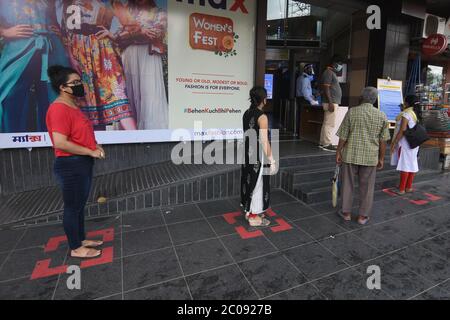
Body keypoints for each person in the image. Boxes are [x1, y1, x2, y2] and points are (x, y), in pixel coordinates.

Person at [46, 65, 106, 258]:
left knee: (79, 205)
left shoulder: (73, 105)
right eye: (75, 83)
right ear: (63, 87)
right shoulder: (58, 109)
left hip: (81, 162)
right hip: (70, 165)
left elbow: (81, 134)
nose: (80, 85)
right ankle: (76, 248)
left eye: (80, 81)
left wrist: (96, 146)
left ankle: (80, 239)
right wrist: (90, 151)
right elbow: (60, 143)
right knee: (72, 207)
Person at [61, 0, 137, 130]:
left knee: (116, 92)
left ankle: (136, 140)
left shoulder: (109, 2)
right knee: (86, 97)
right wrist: (71, 57)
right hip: (79, 52)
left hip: (103, 52)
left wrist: (114, 35)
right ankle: (94, 144)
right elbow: (65, 32)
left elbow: (133, 26)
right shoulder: (70, 2)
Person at [0, 0, 70, 133]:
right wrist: (4, 32)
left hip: (50, 49)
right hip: (18, 48)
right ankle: (12, 142)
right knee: (10, 95)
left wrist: (58, 32)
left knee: (52, 96)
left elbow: (54, 19)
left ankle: (51, 141)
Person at [336, 87, 391, 225]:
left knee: (347, 184)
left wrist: (338, 152)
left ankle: (346, 213)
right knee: (367, 188)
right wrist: (381, 158)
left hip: (350, 155)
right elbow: (383, 140)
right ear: (375, 99)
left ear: (362, 97)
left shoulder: (352, 112)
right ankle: (362, 216)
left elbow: (343, 136)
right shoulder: (382, 116)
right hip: (370, 157)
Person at [113, 0, 169, 130]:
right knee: (130, 91)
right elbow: (117, 36)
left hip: (148, 56)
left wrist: (131, 34)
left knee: (149, 91)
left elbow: (157, 33)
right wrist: (141, 31)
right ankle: (129, 130)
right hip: (128, 55)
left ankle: (150, 132)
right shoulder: (127, 13)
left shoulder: (160, 13)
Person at [240, 86, 276, 227]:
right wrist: (272, 160)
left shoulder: (246, 113)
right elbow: (264, 140)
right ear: (264, 99)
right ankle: (254, 217)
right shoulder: (262, 117)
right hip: (258, 156)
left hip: (247, 154)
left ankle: (249, 209)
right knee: (258, 184)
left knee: (248, 181)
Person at [390, 95, 420, 194]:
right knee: (412, 164)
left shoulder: (406, 114)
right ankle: (408, 187)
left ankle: (402, 189)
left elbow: (402, 130)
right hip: (414, 142)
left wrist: (394, 142)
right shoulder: (416, 113)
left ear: (407, 103)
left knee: (405, 164)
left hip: (405, 143)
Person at [319, 55, 344, 151]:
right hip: (331, 102)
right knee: (330, 124)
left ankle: (323, 143)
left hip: (331, 101)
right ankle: (326, 143)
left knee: (327, 123)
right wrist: (330, 102)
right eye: (340, 64)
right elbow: (326, 87)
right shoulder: (329, 72)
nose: (340, 66)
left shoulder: (330, 72)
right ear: (334, 63)